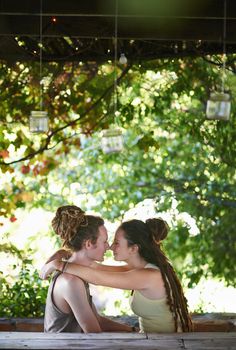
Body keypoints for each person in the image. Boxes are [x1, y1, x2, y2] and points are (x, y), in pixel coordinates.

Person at [41, 216, 193, 333]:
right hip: (149, 339)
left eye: (116, 242)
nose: (110, 247)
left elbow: (97, 277)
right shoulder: (140, 270)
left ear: (134, 248)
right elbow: (94, 267)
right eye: (107, 241)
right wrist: (64, 252)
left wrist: (58, 265)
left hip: (166, 344)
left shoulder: (149, 276)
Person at [42, 205, 136, 333]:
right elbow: (94, 333)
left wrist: (132, 330)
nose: (108, 247)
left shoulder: (77, 273)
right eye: (104, 242)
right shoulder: (70, 281)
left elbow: (98, 321)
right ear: (88, 244)